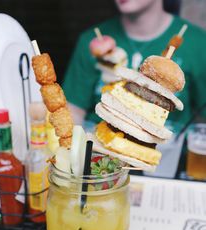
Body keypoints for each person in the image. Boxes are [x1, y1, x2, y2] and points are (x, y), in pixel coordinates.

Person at [63, 0, 206, 134]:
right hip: (99, 148)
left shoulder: (198, 43)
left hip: (166, 154)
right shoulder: (91, 40)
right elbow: (73, 110)